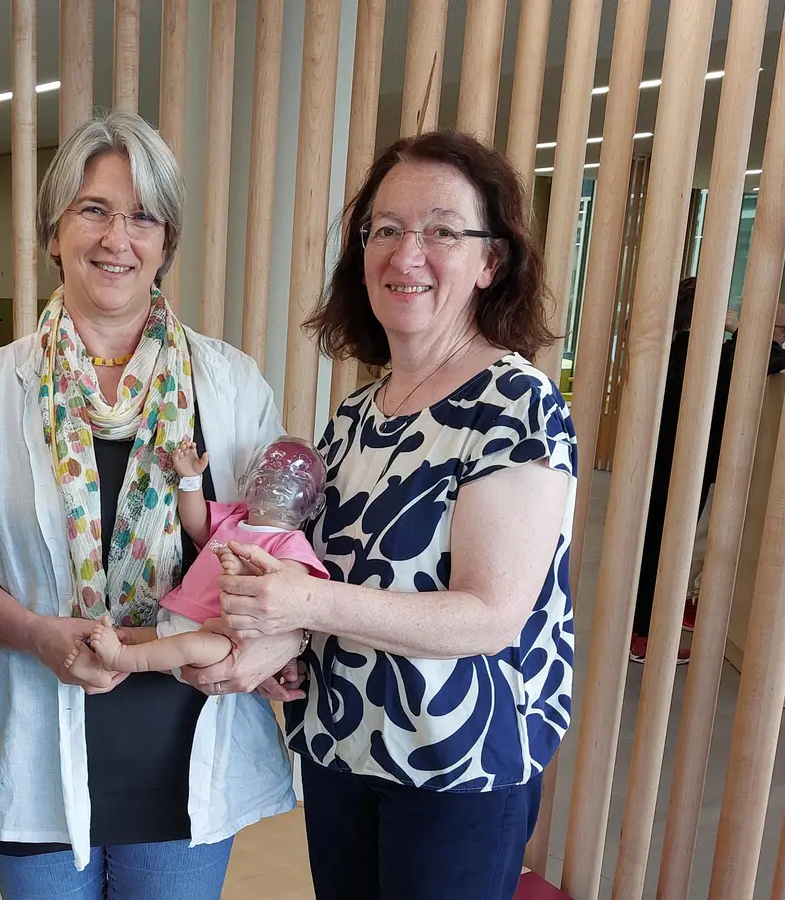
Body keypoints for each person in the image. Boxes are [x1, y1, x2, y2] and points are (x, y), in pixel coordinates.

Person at [0, 111, 303, 900]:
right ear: (53, 231)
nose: (116, 238)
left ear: (166, 241)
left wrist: (276, 643)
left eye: (143, 216)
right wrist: (32, 632)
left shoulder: (229, 387)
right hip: (31, 731)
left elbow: (281, 551)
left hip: (183, 736)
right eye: (93, 209)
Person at [215, 130, 577, 900]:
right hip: (343, 746)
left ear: (491, 261)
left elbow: (490, 616)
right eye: (385, 229)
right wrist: (291, 642)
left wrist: (306, 604)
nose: (406, 254)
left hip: (456, 764)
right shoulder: (353, 415)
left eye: (442, 230)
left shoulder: (515, 405)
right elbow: (328, 575)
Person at [631, 280, 785, 660]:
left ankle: (641, 632)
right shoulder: (705, 355)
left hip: (665, 463)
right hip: (684, 467)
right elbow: (771, 360)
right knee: (664, 548)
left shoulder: (678, 350)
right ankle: (646, 636)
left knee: (655, 544)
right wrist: (744, 333)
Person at [73, 435, 330, 673]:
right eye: (270, 475)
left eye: (290, 481)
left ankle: (119, 659)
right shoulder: (235, 517)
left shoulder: (292, 544)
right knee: (135, 637)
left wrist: (244, 572)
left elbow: (287, 594)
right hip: (180, 616)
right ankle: (99, 662)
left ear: (314, 504)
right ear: (249, 480)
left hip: (220, 636)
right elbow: (196, 524)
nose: (277, 487)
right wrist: (190, 480)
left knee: (184, 647)